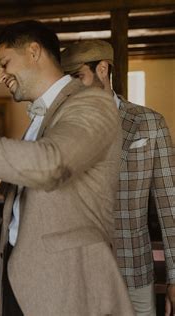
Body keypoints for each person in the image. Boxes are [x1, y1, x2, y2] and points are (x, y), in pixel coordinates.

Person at [0, 20, 134, 315]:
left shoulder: (91, 102)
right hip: (22, 280)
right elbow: (20, 218)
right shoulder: (41, 116)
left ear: (34, 51)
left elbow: (51, 163)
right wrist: (1, 291)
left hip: (66, 285)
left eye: (5, 63)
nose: (2, 75)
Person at [61, 39, 175, 316]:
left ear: (102, 69)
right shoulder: (59, 127)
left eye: (78, 78)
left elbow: (170, 204)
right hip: (74, 275)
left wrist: (174, 277)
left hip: (134, 270)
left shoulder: (148, 123)